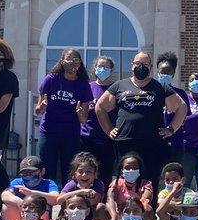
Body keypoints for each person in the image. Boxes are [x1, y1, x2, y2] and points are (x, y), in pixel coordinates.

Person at [96, 49, 186, 192]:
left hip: (152, 143)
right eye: (138, 63)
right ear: (132, 65)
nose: (140, 67)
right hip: (124, 142)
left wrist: (171, 129)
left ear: (150, 67)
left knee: (150, 181)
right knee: (125, 182)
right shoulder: (119, 85)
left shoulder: (160, 87)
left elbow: (181, 107)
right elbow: (100, 106)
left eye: (145, 64)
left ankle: (149, 205)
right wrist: (108, 129)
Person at [35, 48, 93, 184]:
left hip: (70, 134)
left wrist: (80, 114)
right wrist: (42, 107)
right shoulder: (51, 79)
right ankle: (48, 196)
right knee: (47, 169)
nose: (72, 62)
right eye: (69, 59)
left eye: (76, 59)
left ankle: (67, 195)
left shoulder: (83, 84)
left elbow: (84, 119)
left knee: (69, 170)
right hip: (49, 132)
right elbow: (38, 111)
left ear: (80, 63)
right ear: (62, 61)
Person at [79, 54, 117, 188]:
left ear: (111, 70)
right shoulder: (87, 87)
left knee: (105, 174)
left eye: (106, 67)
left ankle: (104, 198)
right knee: (86, 172)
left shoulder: (115, 88)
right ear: (94, 68)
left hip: (108, 139)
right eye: (100, 66)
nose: (103, 69)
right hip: (88, 138)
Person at [0, 155, 61, 220]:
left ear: (42, 171)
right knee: (7, 206)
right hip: (21, 215)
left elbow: (55, 199)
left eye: (32, 172)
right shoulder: (17, 182)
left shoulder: (48, 183)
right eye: (25, 172)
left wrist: (32, 193)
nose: (28, 175)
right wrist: (20, 202)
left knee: (43, 206)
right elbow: (4, 195)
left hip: (41, 219)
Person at [156, 51, 189, 159]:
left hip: (175, 143)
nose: (165, 75)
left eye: (168, 72)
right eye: (162, 71)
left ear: (173, 73)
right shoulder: (151, 92)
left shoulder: (180, 94)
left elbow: (184, 117)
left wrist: (170, 129)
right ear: (157, 72)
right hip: (155, 143)